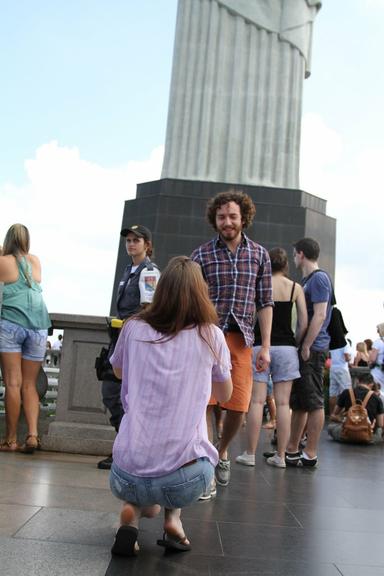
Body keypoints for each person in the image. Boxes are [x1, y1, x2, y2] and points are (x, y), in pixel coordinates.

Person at [108, 256, 232, 557]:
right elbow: (225, 394)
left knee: (142, 479)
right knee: (194, 450)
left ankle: (132, 512)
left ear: (161, 290)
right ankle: (173, 519)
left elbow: (118, 371)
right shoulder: (210, 335)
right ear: (200, 292)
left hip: (125, 474)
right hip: (184, 481)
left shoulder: (134, 327)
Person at [191, 190, 273, 489]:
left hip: (242, 341)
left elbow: (265, 302)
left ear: (243, 218)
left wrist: (265, 346)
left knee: (238, 404)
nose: (227, 221)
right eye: (222, 216)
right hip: (207, 337)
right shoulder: (200, 255)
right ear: (214, 219)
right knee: (206, 402)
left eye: (232, 216)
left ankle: (222, 451)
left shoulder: (259, 254)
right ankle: (207, 460)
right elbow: (190, 299)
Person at [236, 247, 307, 469]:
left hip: (260, 347)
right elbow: (303, 322)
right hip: (287, 349)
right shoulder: (296, 288)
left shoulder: (260, 286)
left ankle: (249, 454)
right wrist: (294, 340)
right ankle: (281, 456)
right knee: (284, 403)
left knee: (256, 401)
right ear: (285, 265)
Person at [98, 224, 160, 470]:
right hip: (120, 339)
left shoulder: (149, 272)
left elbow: (148, 309)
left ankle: (127, 451)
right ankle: (124, 448)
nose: (131, 244)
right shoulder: (129, 269)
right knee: (113, 394)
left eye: (136, 240)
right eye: (129, 240)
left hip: (134, 342)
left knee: (123, 396)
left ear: (147, 244)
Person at [0, 224, 51, 452]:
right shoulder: (35, 261)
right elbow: (32, 277)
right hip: (39, 326)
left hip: (12, 323)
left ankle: (10, 440)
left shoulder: (3, 262)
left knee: (13, 382)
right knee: (29, 384)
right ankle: (32, 435)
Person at [286, 237, 333, 468]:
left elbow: (321, 314)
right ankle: (292, 449)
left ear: (301, 254)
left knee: (314, 402)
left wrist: (306, 345)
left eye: (295, 253)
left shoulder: (320, 279)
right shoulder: (308, 281)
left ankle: (310, 453)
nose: (294, 257)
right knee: (301, 402)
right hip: (306, 348)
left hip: (313, 349)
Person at [328, 373, 383, 444]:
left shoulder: (346, 392)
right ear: (371, 384)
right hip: (369, 437)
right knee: (379, 431)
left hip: (347, 435)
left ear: (358, 381)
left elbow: (334, 415)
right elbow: (380, 424)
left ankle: (348, 436)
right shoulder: (376, 398)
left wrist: (342, 418)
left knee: (330, 427)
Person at [328, 342, 353, 415]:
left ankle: (332, 414)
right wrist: (350, 358)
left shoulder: (333, 342)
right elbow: (347, 357)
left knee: (333, 393)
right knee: (347, 392)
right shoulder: (345, 342)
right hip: (342, 369)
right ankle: (344, 415)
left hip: (333, 368)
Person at [369, 323, 384, 388]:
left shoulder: (378, 342)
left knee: (378, 392)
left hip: (378, 371)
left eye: (378, 330)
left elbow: (372, 359)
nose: (377, 332)